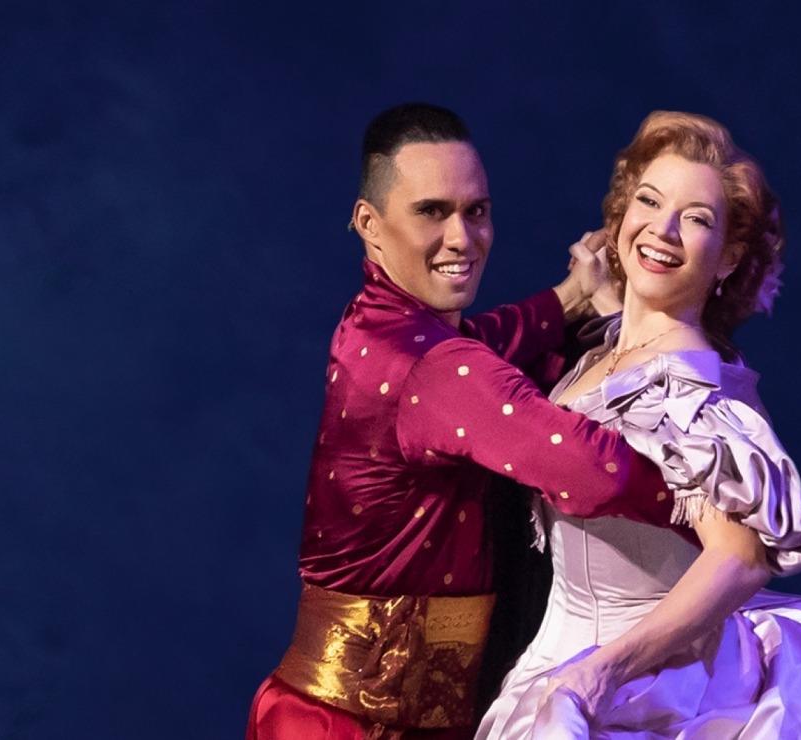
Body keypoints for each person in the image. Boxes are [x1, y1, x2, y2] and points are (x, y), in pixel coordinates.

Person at [476, 111, 801, 739]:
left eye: (697, 219)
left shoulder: (684, 388)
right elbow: (624, 372)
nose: (664, 228)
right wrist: (596, 295)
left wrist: (600, 674)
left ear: (729, 256)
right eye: (649, 201)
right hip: (563, 655)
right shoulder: (612, 354)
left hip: (650, 685)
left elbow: (739, 557)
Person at [246, 103, 689, 740]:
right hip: (349, 726)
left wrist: (572, 294)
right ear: (369, 224)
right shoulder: (434, 369)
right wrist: (720, 502)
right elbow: (595, 473)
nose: (463, 237)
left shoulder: (375, 324)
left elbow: (489, 341)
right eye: (432, 212)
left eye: (476, 211)